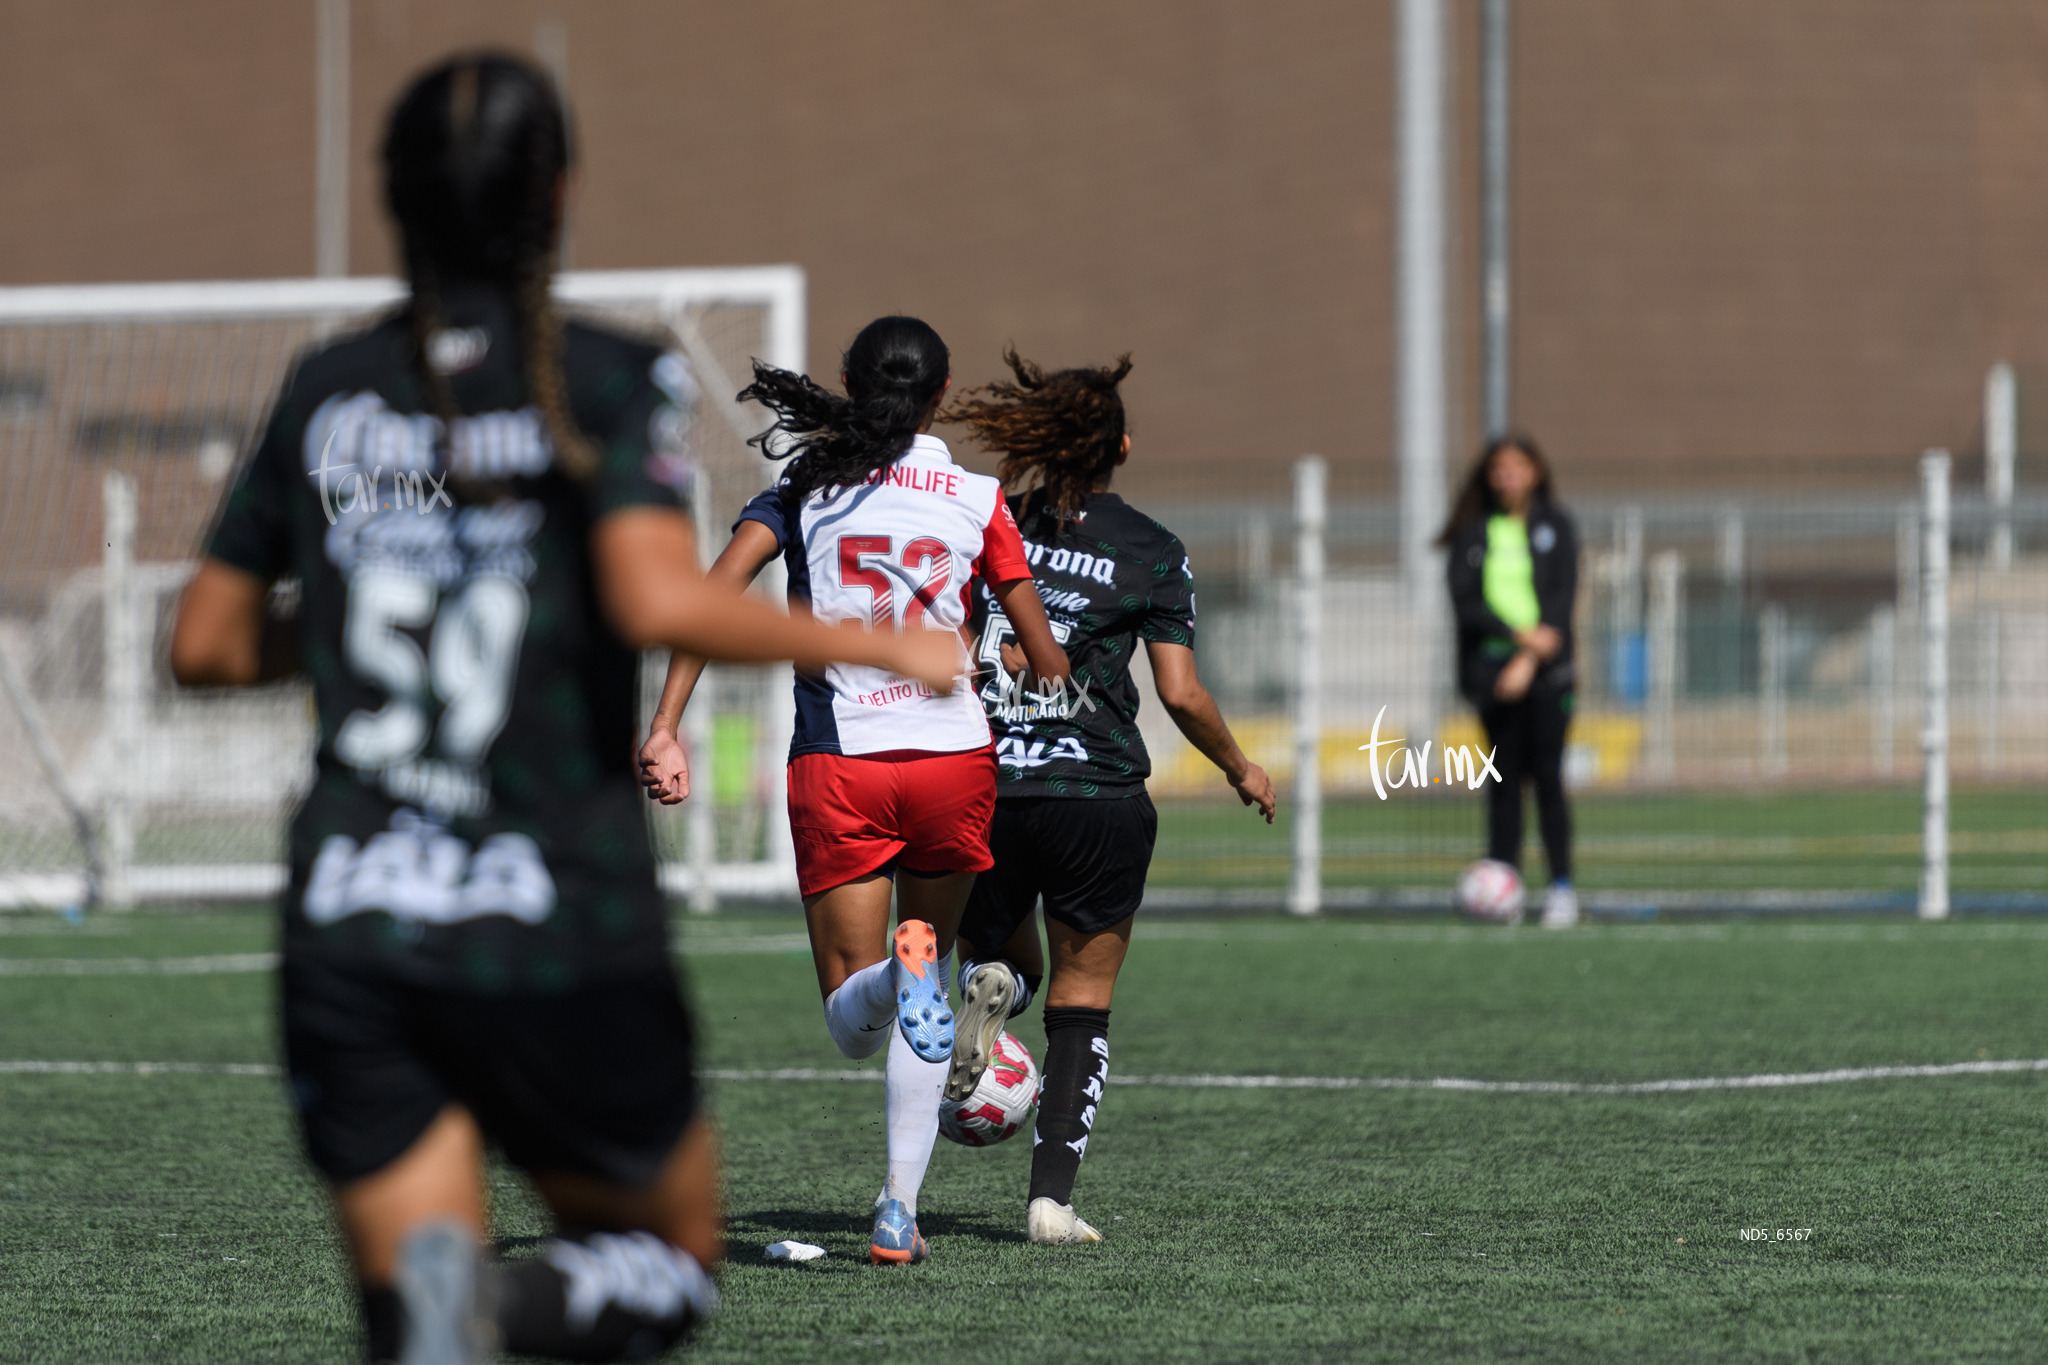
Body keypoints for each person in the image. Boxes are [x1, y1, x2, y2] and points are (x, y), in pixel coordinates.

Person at [170, 56, 960, 1365]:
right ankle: (499, 1307)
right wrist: (873, 639)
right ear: (562, 193)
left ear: (393, 198)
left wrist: (376, 599)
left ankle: (459, 1308)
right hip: (555, 911)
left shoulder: (333, 387)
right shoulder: (598, 376)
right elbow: (656, 596)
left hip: (356, 912)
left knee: (413, 1330)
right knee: (660, 1266)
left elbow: (203, 642)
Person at [637, 317, 1071, 1266]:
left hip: (845, 758)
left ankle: (899, 978)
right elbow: (1045, 658)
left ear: (845, 380)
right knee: (932, 959)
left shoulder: (801, 490)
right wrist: (1024, 655)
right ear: (945, 395)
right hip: (955, 759)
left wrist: (666, 724)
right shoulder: (978, 496)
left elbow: (712, 598)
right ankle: (896, 1210)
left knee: (852, 1014)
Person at [937, 349, 1276, 1245]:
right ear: (1121, 446)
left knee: (998, 959)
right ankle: (1050, 1201)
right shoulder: (1153, 550)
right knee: (1081, 1004)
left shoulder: (989, 521)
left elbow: (958, 640)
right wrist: (1241, 767)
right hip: (1096, 793)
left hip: (992, 781)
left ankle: (989, 985)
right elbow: (1182, 693)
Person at [1439, 433, 1582, 928]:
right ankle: (1507, 884)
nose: (1507, 476)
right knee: (1502, 784)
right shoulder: (1475, 533)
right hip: (1493, 677)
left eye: (1517, 467)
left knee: (1547, 778)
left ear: (1535, 472)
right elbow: (1467, 602)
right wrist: (1514, 641)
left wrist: (1530, 658)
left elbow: (1562, 597)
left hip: (1548, 675)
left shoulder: (1556, 527)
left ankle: (1561, 886)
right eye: (1499, 468)